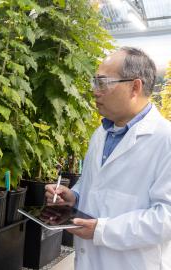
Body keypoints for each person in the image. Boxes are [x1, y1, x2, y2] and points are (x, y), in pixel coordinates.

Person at [45, 47, 171, 269]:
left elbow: (165, 218)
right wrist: (74, 196)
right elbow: (93, 184)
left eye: (102, 83)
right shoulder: (101, 133)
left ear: (135, 87)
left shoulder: (165, 139)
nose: (95, 91)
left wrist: (102, 231)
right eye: (94, 83)